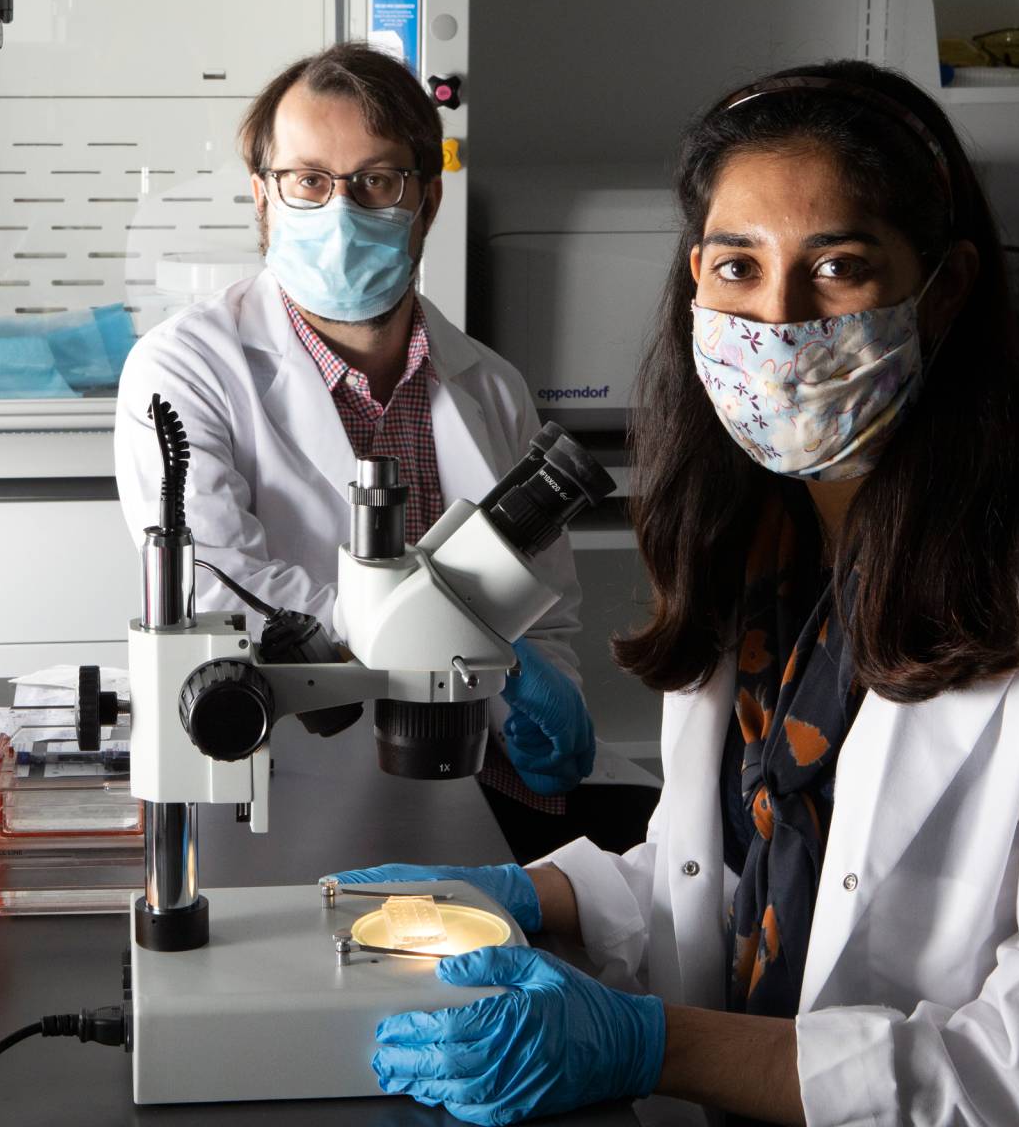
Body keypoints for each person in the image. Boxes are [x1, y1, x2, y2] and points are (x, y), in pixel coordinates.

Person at [336, 60, 1019, 1126]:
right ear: (695, 280)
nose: (778, 320)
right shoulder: (762, 535)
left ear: (944, 289)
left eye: (838, 268)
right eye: (739, 266)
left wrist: (651, 1044)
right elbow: (742, 867)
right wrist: (525, 893)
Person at [114, 43, 654, 857]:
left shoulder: (491, 385)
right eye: (308, 181)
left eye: (375, 181)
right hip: (295, 783)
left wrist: (551, 697)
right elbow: (221, 585)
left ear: (427, 201)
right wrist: (452, 641)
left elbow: (543, 608)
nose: (340, 211)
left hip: (483, 783)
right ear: (262, 196)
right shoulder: (184, 370)